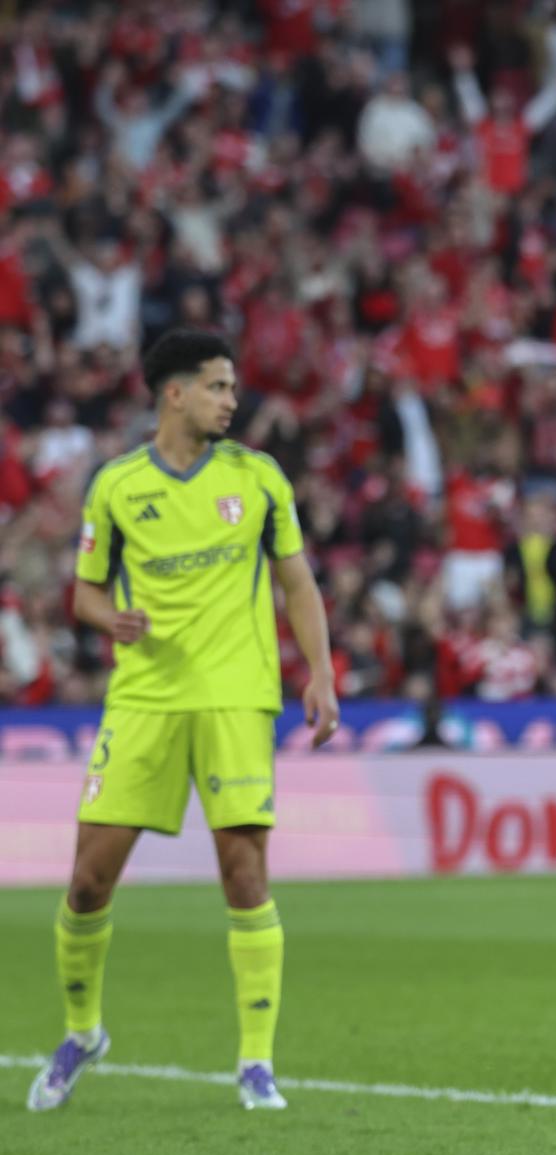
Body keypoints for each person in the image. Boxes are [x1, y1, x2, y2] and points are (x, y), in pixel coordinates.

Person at [27, 330, 338, 1114]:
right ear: (175, 393)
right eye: (218, 386)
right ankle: (81, 1031)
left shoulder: (259, 478)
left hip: (237, 696)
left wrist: (323, 674)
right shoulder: (118, 485)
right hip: (143, 700)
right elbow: (84, 592)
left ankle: (257, 1064)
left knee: (244, 874)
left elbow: (297, 584)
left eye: (232, 387)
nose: (232, 399)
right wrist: (113, 619)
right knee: (88, 880)